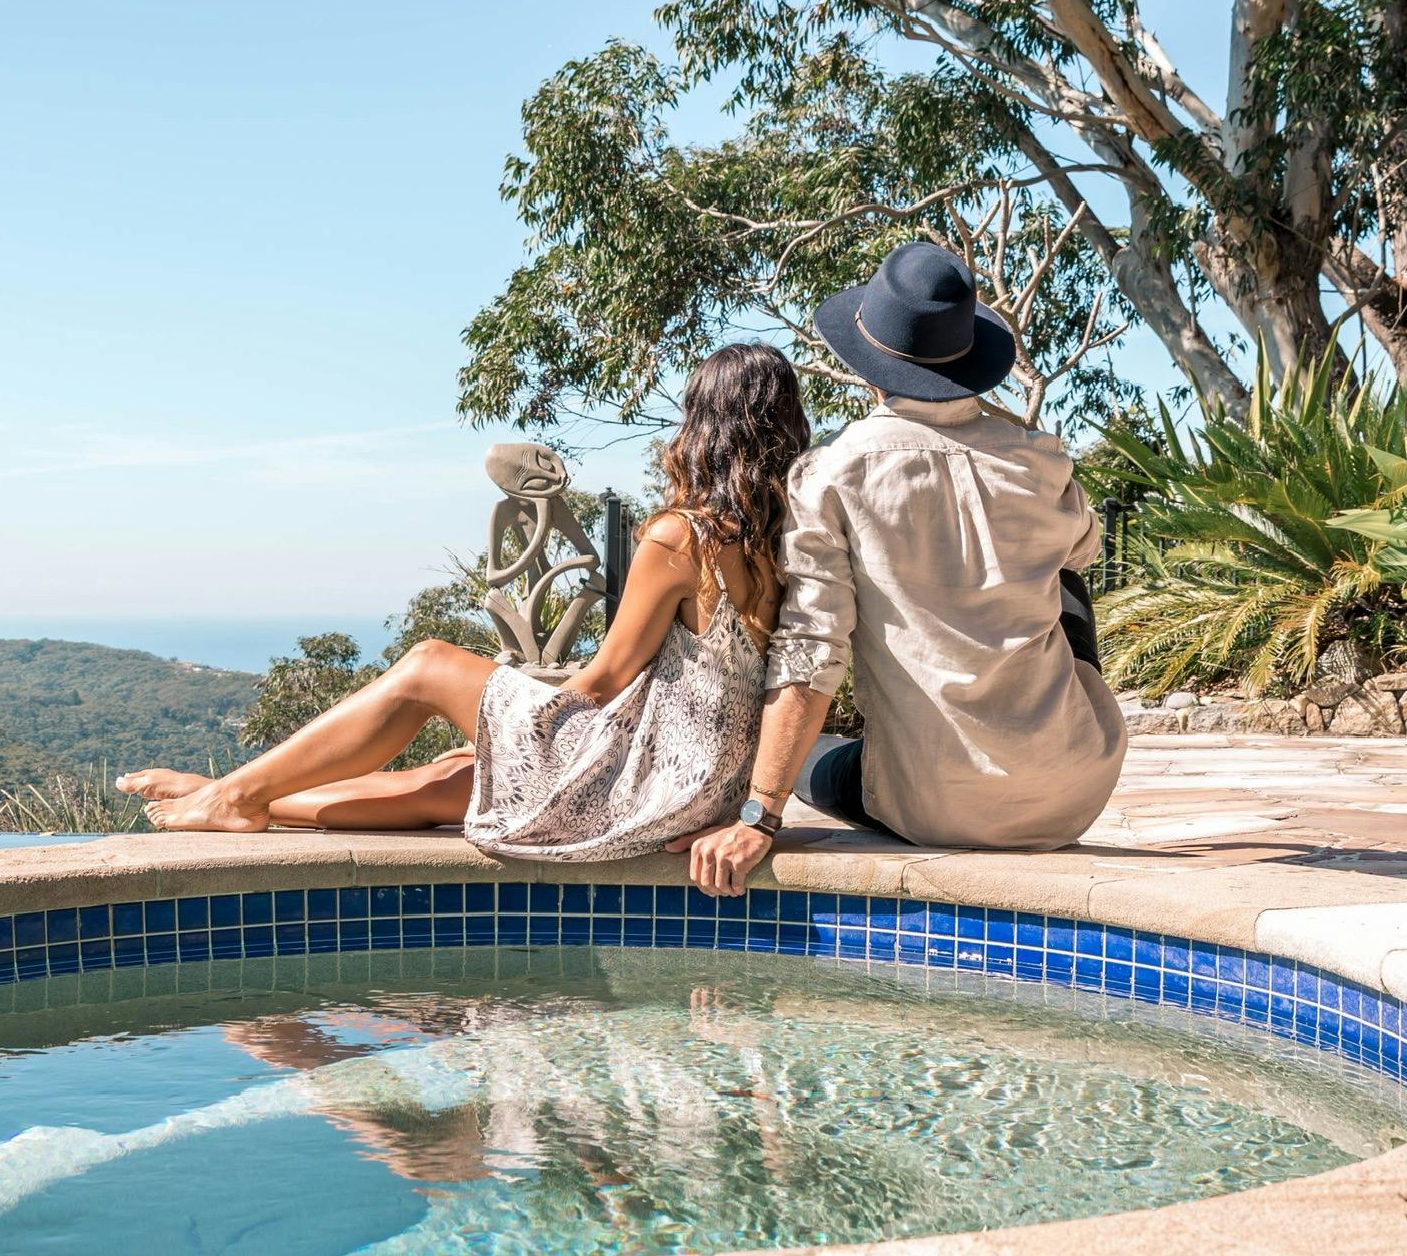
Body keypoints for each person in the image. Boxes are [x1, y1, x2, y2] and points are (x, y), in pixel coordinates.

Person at [117, 343, 812, 857]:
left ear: (704, 427)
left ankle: (235, 795)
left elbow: (607, 677)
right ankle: (236, 793)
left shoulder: (680, 537)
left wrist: (505, 710)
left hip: (645, 785)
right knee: (451, 781)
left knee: (427, 665)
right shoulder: (795, 541)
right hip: (705, 787)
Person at [675, 241, 1127, 897]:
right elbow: (1083, 549)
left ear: (870, 365)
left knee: (816, 770)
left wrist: (759, 813)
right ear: (969, 359)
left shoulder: (831, 473)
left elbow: (811, 651)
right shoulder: (1041, 460)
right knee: (1065, 576)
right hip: (1074, 789)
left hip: (936, 807)